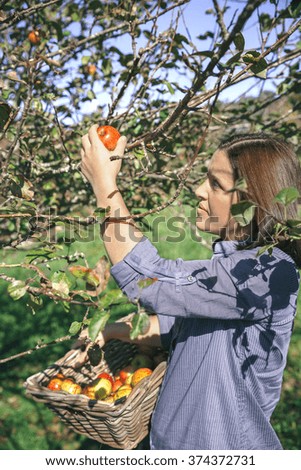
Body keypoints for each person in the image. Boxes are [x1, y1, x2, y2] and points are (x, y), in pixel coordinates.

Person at [79, 127, 301, 450]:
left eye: (215, 184)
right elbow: (188, 324)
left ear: (250, 202)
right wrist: (112, 331)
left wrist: (104, 186)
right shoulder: (234, 263)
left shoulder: (267, 273)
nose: (199, 190)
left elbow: (150, 280)